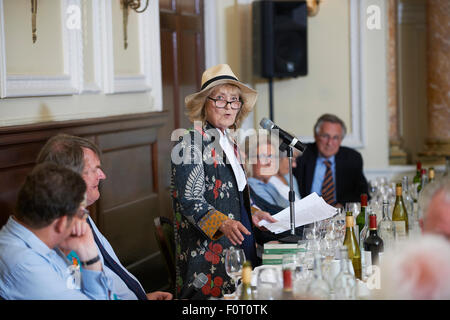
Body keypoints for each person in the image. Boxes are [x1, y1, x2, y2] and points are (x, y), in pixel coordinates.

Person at [171, 64, 276, 299]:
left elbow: (233, 195)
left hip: (241, 242)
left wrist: (253, 211)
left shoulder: (229, 140)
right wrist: (224, 224)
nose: (229, 107)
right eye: (220, 99)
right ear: (203, 104)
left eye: (234, 100)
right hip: (210, 258)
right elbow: (190, 201)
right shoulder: (190, 143)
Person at [36, 133, 172, 300]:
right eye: (94, 169)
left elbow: (110, 281)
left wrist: (143, 298)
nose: (102, 176)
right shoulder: (62, 233)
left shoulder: (79, 213)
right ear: (70, 177)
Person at [0, 163, 115, 299]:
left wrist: (89, 259)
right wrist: (91, 259)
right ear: (61, 223)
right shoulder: (24, 265)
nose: (83, 219)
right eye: (81, 213)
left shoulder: (44, 240)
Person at [293, 113, 369, 207]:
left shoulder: (352, 158)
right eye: (325, 136)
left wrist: (342, 205)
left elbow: (363, 193)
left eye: (335, 138)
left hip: (338, 216)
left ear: (341, 139)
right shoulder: (301, 155)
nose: (330, 143)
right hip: (307, 214)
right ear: (316, 136)